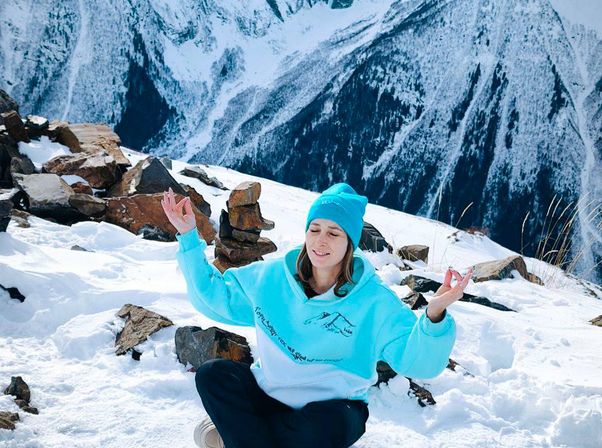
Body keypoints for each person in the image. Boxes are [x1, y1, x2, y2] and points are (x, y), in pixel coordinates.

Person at [161, 182, 472, 448]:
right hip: (270, 395)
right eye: (315, 229)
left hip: (329, 411)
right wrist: (188, 237)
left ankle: (237, 438)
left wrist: (434, 315)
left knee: (331, 423)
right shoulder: (273, 278)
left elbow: (417, 361)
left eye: (334, 233)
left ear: (349, 243)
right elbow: (214, 297)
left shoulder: (374, 301)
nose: (321, 241)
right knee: (213, 374)